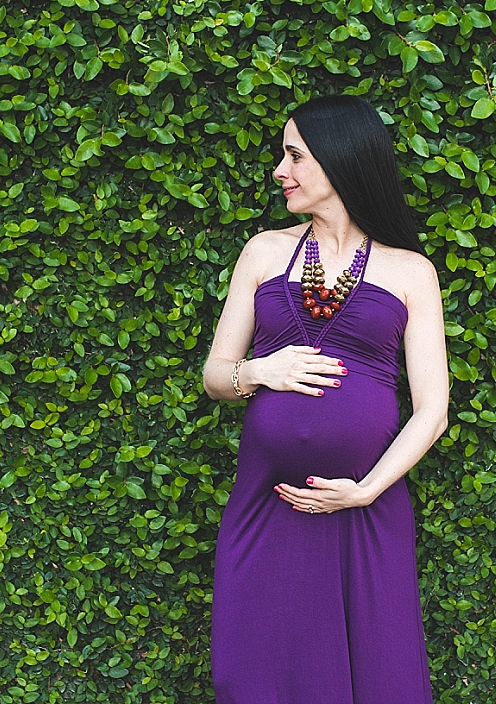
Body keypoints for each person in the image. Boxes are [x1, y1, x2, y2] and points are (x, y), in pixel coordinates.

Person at [202, 94, 450, 704]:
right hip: (268, 504)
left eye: (295, 156)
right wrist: (261, 370)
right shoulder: (263, 252)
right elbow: (215, 374)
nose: (280, 171)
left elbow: (433, 410)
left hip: (365, 510)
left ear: (340, 162)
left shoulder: (410, 271)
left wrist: (367, 489)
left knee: (376, 674)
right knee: (256, 671)